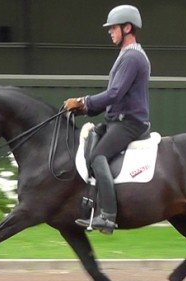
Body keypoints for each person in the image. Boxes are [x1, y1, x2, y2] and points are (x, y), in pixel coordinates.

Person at [64, 4, 151, 235]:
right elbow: (114, 98)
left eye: (113, 28)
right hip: (117, 120)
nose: (110, 32)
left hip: (130, 123)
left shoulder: (132, 57)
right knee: (89, 145)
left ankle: (108, 216)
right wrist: (84, 110)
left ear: (127, 27)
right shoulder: (125, 56)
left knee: (97, 155)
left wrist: (84, 101)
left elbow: (114, 94)